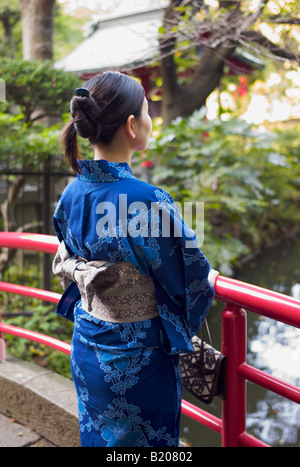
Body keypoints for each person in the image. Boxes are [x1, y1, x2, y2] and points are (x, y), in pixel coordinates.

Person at [52, 72, 217, 448]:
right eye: (146, 111)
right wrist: (206, 280)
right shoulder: (144, 200)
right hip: (137, 360)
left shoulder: (72, 193)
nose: (149, 120)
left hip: (88, 343)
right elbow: (190, 279)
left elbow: (70, 254)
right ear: (131, 125)